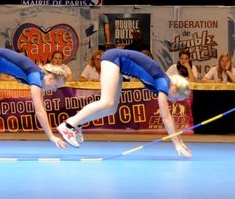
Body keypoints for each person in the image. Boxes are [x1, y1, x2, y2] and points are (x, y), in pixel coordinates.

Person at [57, 48, 192, 157]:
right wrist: (177, 144)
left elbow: (168, 117)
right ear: (174, 88)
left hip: (119, 65)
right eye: (176, 98)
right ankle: (69, 125)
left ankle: (77, 123)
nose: (173, 102)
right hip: (113, 59)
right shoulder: (163, 84)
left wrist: (180, 140)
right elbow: (166, 117)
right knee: (106, 101)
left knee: (111, 108)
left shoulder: (165, 82)